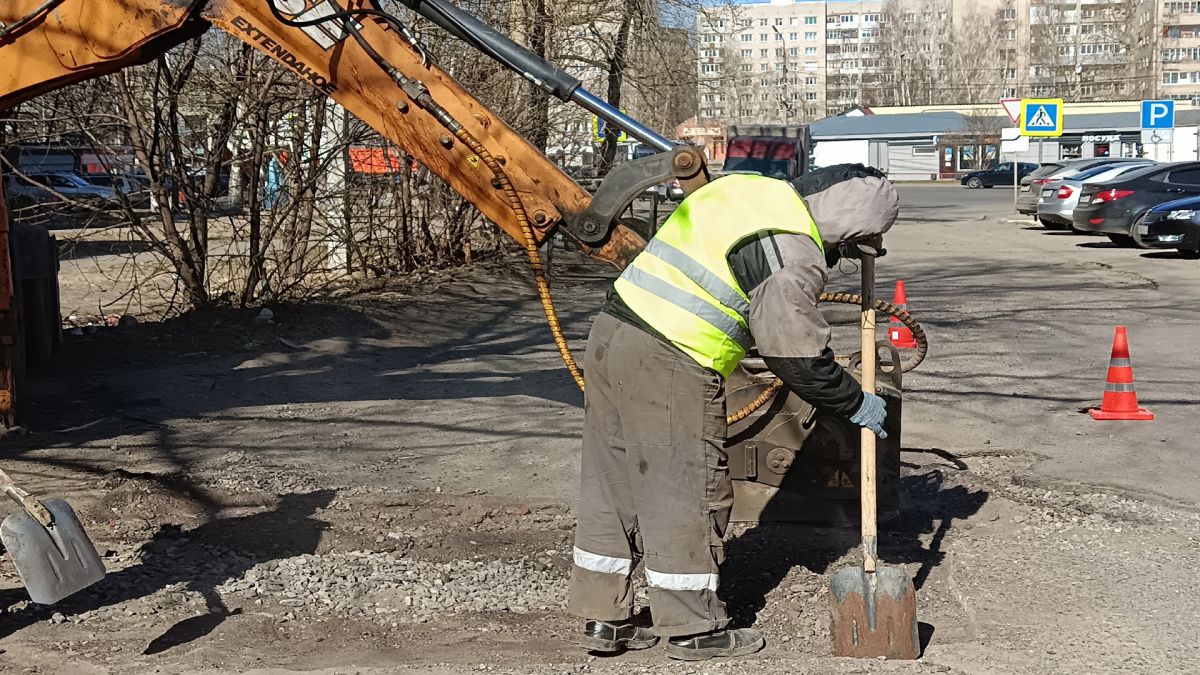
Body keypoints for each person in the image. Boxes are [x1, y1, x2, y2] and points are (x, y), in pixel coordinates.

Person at [566, 164, 900, 661]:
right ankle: (692, 628)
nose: (843, 257)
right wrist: (855, 402)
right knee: (685, 485)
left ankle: (604, 617)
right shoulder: (791, 250)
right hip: (672, 355)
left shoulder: (749, 188)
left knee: (613, 479)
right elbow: (796, 358)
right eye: (851, 246)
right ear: (849, 227)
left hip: (613, 333)